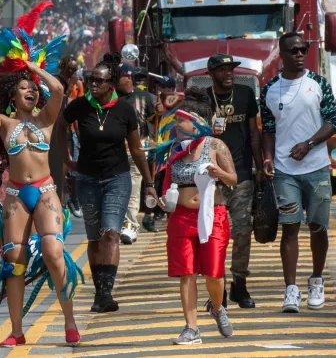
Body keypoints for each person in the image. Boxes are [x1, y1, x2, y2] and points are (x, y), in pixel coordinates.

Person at [0, 60, 81, 347]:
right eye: (24, 88)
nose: (31, 91)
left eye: (34, 88)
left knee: (53, 252)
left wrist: (33, 68)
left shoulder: (46, 117)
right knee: (14, 262)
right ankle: (17, 332)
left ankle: (70, 321)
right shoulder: (4, 123)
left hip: (45, 192)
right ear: (13, 97)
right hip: (16, 196)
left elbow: (57, 88)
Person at [58, 53, 156, 313]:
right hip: (87, 179)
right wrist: (67, 160)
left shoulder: (125, 110)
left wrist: (149, 182)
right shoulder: (80, 106)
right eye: (90, 79)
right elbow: (59, 127)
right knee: (94, 237)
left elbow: (136, 149)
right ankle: (99, 291)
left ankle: (105, 292)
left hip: (117, 178)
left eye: (98, 81)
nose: (92, 84)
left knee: (111, 233)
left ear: (110, 84)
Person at [261, 32, 336, 314]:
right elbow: (268, 129)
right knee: (290, 228)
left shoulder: (318, 84)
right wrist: (268, 157)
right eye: (293, 50)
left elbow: (333, 122)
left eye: (303, 50)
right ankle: (290, 290)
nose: (299, 54)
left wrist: (309, 145)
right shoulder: (270, 89)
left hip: (317, 168)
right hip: (285, 171)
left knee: (318, 227)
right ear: (281, 54)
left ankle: (316, 280)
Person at [152, 87, 237, 345]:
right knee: (186, 273)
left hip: (213, 216)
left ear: (196, 121)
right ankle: (191, 329)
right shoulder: (174, 148)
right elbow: (166, 181)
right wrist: (162, 199)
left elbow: (233, 178)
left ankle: (218, 307)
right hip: (180, 218)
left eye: (181, 120)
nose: (177, 125)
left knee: (214, 273)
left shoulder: (216, 146)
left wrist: (217, 172)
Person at [201, 54, 262, 308]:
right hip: (211, 177)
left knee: (242, 231)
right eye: (223, 69)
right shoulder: (203, 98)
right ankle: (218, 290)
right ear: (212, 72)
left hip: (242, 174)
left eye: (231, 69)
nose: (229, 73)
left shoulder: (246, 94)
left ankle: (239, 284)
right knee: (214, 235)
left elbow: (253, 133)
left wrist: (259, 165)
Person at [116, 63, 157, 245]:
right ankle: (117, 224)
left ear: (128, 77)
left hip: (137, 149)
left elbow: (154, 121)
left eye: (119, 77)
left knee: (133, 187)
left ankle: (131, 225)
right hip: (114, 150)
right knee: (117, 189)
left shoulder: (146, 98)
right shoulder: (111, 98)